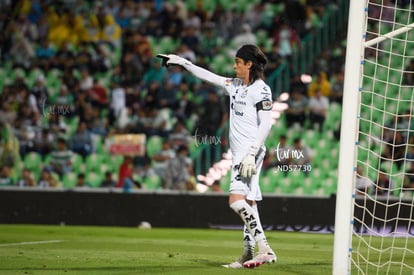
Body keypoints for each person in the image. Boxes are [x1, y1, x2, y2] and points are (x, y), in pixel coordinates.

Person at [158, 44, 276, 268]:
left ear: (249, 64)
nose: (234, 66)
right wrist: (182, 62)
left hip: (249, 154)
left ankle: (265, 248)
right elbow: (209, 76)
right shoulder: (235, 85)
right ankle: (248, 254)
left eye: (238, 63)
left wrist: (251, 153)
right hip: (242, 153)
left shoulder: (261, 89)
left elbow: (266, 125)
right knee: (249, 202)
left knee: (235, 201)